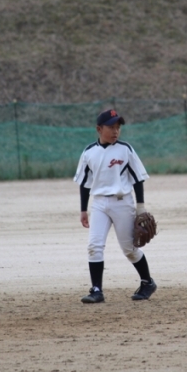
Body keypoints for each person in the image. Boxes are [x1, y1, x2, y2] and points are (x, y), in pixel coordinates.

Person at [73, 109, 157, 303]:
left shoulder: (125, 149)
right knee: (94, 246)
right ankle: (96, 290)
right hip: (99, 204)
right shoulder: (89, 152)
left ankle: (147, 282)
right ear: (99, 129)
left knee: (129, 248)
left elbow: (137, 179)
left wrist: (141, 207)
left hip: (122, 203)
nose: (116, 131)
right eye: (111, 127)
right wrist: (83, 210)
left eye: (118, 127)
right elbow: (84, 183)